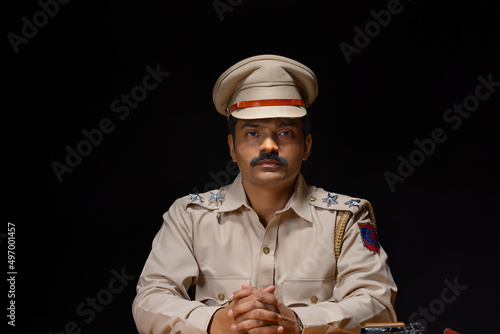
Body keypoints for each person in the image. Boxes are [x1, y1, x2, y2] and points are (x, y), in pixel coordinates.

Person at [132, 54, 397, 333]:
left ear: (306, 146)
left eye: (284, 132)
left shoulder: (346, 218)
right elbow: (151, 299)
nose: (268, 145)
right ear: (232, 148)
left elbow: (377, 305)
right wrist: (216, 322)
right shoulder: (190, 216)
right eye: (252, 133)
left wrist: (299, 323)